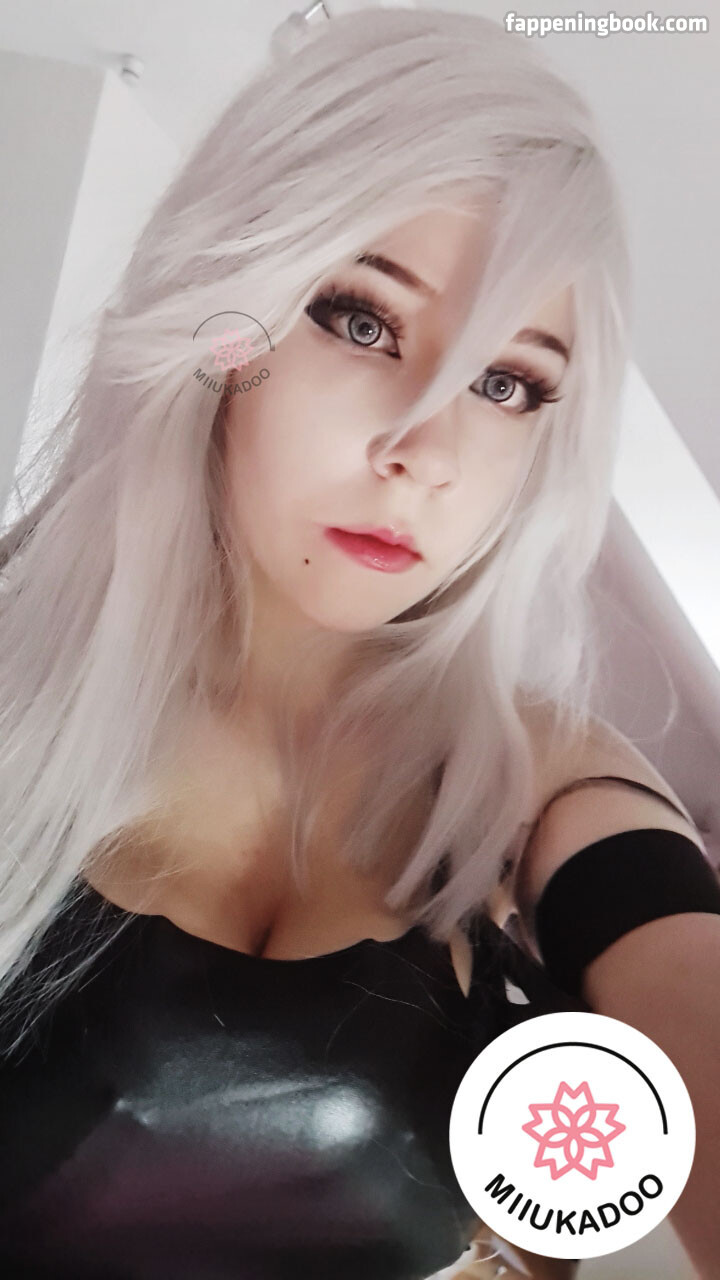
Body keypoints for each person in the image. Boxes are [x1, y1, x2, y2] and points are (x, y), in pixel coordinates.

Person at [0, 6, 719, 1279]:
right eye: (363, 319)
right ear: (225, 330)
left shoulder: (540, 778)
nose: (427, 452)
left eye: (508, 382)